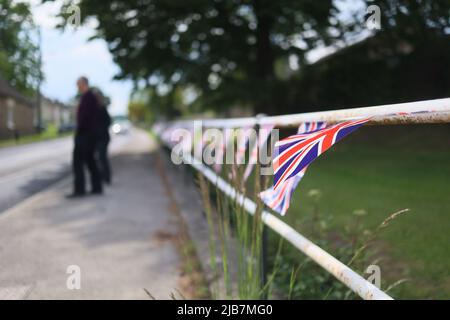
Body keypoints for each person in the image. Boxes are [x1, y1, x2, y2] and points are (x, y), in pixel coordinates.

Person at [67, 76, 103, 198]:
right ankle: (97, 187)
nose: (77, 87)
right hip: (89, 135)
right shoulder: (89, 97)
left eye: (78, 84)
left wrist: (79, 131)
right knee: (90, 161)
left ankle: (80, 190)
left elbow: (85, 118)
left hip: (85, 135)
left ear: (84, 84)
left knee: (78, 162)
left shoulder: (88, 97)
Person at [92, 88, 112, 184]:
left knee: (102, 158)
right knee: (99, 158)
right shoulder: (94, 108)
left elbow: (108, 122)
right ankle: (102, 176)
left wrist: (99, 130)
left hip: (103, 138)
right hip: (97, 138)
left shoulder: (102, 108)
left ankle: (106, 177)